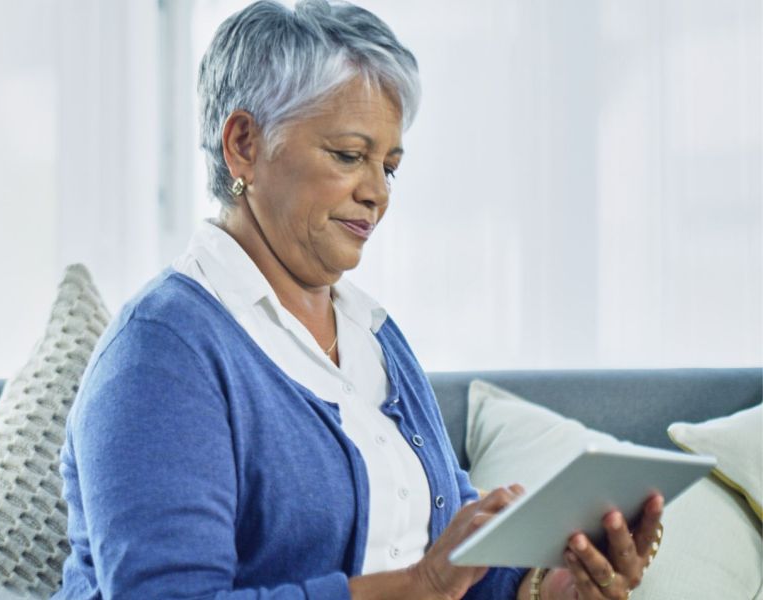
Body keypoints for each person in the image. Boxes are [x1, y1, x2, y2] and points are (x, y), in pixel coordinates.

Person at [53, 1, 664, 598]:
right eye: (349, 155)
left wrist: (553, 585)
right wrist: (414, 587)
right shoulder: (162, 354)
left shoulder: (373, 335)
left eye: (389, 166)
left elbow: (444, 558)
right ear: (243, 143)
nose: (377, 193)